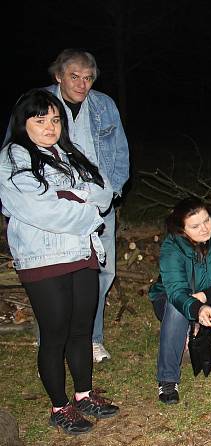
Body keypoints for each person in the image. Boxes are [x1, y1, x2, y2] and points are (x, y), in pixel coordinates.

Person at [0, 89, 119, 435]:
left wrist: (73, 195)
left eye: (55, 119)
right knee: (55, 334)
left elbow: (103, 190)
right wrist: (81, 203)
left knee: (81, 330)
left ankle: (83, 395)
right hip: (43, 258)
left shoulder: (69, 153)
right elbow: (37, 208)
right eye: (41, 120)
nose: (50, 126)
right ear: (24, 123)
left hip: (83, 252)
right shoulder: (13, 157)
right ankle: (59, 405)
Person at [45, 49, 129, 363]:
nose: (82, 84)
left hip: (97, 203)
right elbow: (14, 151)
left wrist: (113, 192)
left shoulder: (103, 105)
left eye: (88, 77)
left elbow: (120, 151)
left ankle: (92, 339)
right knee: (56, 276)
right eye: (74, 76)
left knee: (102, 272)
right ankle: (54, 343)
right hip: (54, 206)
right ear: (58, 75)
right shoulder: (39, 104)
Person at [148, 197, 211, 404]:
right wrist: (197, 307)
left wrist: (205, 297)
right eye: (195, 226)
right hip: (172, 299)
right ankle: (167, 379)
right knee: (176, 309)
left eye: (207, 220)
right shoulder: (172, 245)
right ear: (182, 230)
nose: (205, 228)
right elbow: (175, 291)